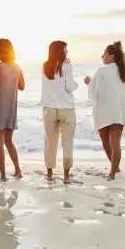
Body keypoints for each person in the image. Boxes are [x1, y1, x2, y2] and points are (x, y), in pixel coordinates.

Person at [83, 40, 125, 180]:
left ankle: (114, 169)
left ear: (111, 57)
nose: (102, 57)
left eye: (104, 54)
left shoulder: (102, 71)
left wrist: (88, 83)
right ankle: (113, 171)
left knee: (106, 143)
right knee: (115, 142)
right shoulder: (124, 74)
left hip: (104, 111)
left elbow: (95, 92)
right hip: (118, 112)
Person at [41, 40, 78, 184]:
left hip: (49, 109)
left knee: (50, 142)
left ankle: (50, 174)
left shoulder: (45, 66)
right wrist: (76, 84)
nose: (67, 52)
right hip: (66, 108)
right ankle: (66, 176)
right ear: (60, 51)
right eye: (65, 49)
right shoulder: (67, 66)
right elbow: (69, 87)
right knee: (67, 142)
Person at [0, 38, 25, 182]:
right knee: (8, 141)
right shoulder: (17, 67)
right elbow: (22, 86)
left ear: (1, 49)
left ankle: (3, 176)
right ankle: (18, 171)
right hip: (11, 108)